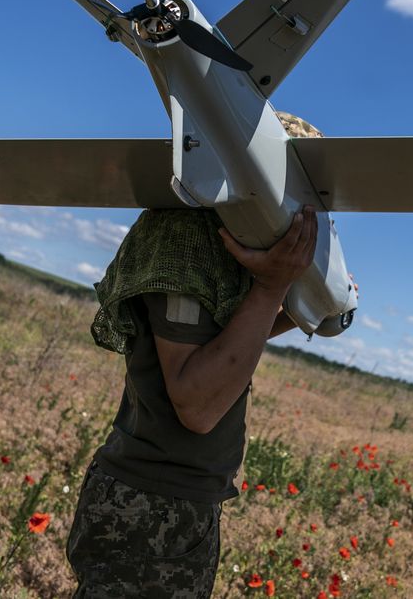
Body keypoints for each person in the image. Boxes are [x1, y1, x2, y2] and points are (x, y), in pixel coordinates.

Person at [66, 203, 318, 598]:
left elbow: (216, 340)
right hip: (154, 509)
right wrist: (271, 288)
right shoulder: (186, 239)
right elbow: (197, 404)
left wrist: (300, 308)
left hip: (164, 502)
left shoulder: (204, 234)